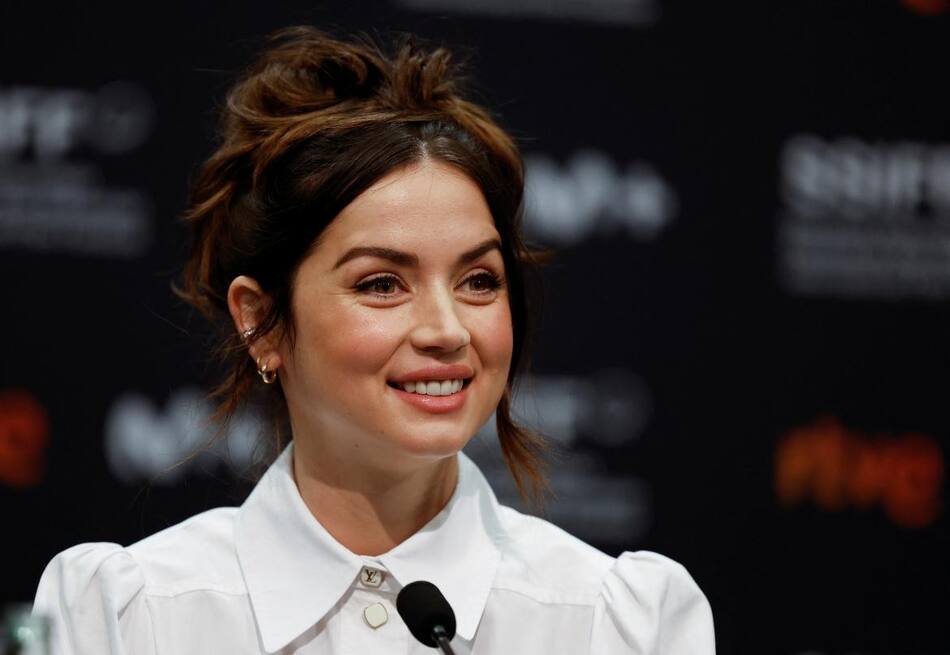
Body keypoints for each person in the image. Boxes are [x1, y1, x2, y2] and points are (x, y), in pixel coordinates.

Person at [32, 27, 715, 654]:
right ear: (261, 320)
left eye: (479, 280)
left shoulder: (620, 624)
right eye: (383, 284)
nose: (447, 330)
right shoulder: (127, 617)